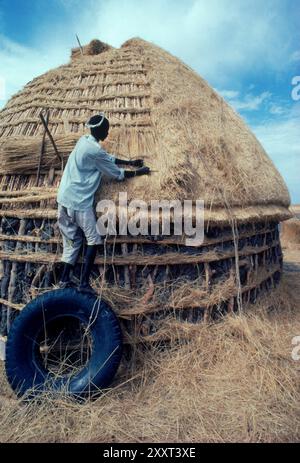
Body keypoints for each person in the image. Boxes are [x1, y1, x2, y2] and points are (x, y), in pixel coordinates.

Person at [56, 113, 150, 294]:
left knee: (72, 240)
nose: (107, 133)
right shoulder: (95, 151)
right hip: (78, 202)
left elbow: (106, 157)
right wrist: (140, 172)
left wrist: (130, 162)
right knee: (94, 240)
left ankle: (64, 279)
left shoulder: (84, 141)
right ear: (99, 130)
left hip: (64, 198)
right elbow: (118, 174)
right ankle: (83, 283)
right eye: (105, 129)